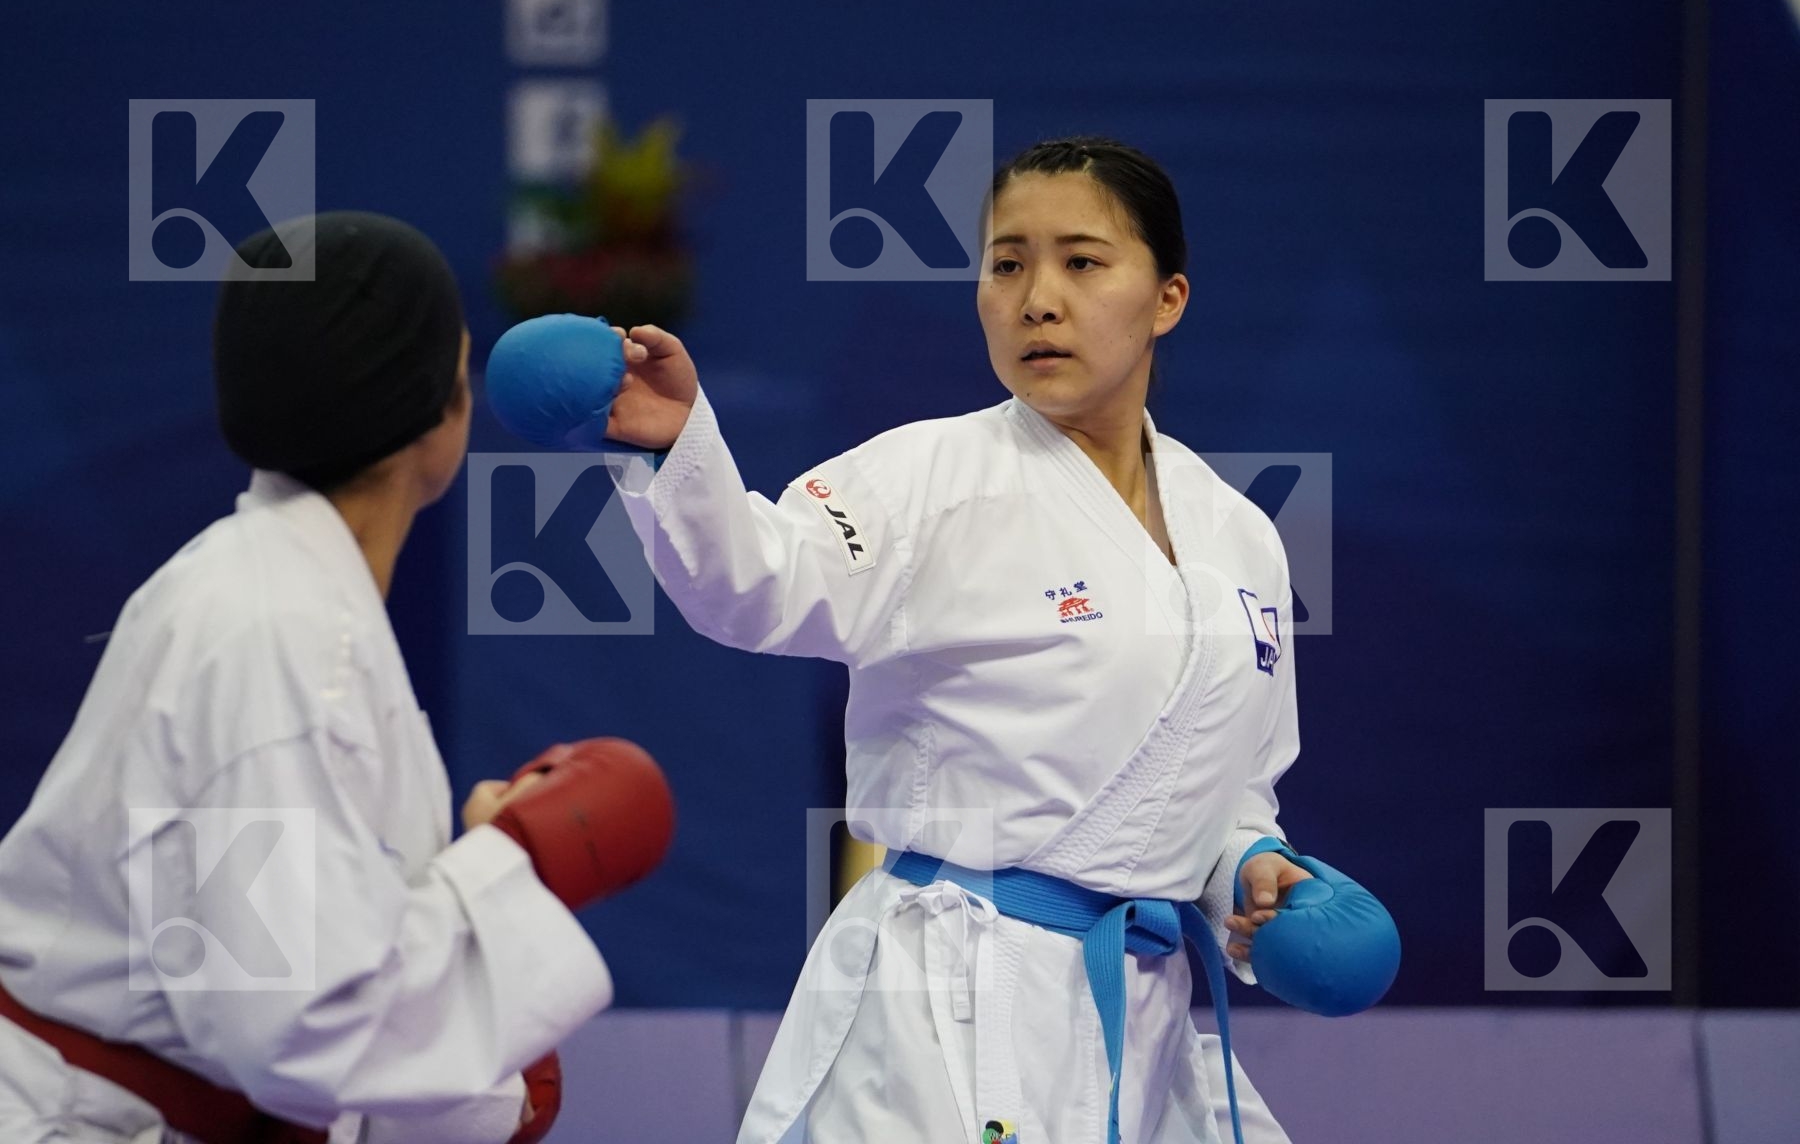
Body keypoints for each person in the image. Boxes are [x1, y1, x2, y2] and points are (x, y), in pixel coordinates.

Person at [594, 137, 1316, 1143]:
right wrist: (676, 443)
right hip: (948, 999)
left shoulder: (1239, 533)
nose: (1037, 298)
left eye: (1082, 261)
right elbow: (750, 584)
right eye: (1007, 263)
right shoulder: (928, 478)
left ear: (1168, 300)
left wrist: (1248, 866)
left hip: (1141, 1011)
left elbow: (1230, 782)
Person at [0, 212, 658, 1143]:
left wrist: (465, 871)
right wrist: (510, 865)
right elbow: (291, 1030)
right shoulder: (278, 638)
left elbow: (259, 963)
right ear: (439, 412)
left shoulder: (265, 591)